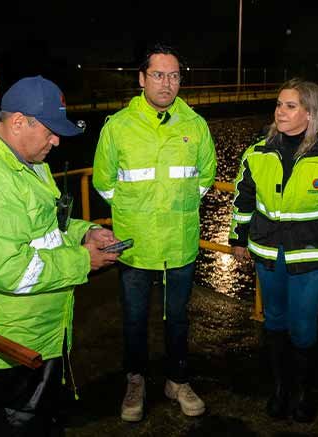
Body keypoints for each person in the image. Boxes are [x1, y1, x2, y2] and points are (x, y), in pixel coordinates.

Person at [0, 75, 120, 436]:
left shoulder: (28, 164)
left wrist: (86, 231)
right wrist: (85, 260)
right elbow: (11, 271)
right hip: (6, 349)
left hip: (38, 336)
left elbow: (48, 225)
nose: (56, 141)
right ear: (19, 122)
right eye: (51, 131)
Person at [92, 43, 217, 422]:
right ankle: (136, 381)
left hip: (179, 242)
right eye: (159, 75)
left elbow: (205, 176)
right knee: (134, 318)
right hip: (136, 244)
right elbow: (103, 181)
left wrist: (175, 209)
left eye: (174, 75)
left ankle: (177, 380)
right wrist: (135, 213)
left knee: (178, 317)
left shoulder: (195, 125)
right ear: (142, 78)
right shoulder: (118, 127)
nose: (167, 83)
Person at [228, 78, 318, 422]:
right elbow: (242, 199)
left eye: (290, 105)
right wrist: (238, 239)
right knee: (274, 322)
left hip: (311, 261)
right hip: (269, 257)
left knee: (302, 329)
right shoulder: (257, 152)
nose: (280, 111)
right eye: (279, 104)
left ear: (310, 112)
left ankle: (303, 392)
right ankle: (279, 389)